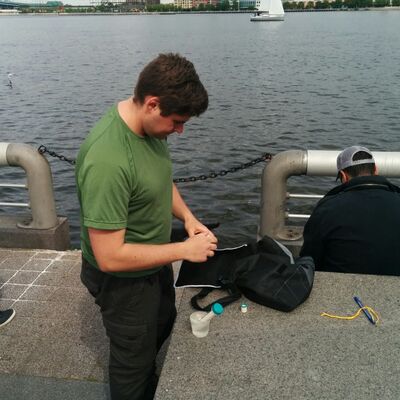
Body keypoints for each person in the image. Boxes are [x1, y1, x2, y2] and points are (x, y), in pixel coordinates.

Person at [75, 53, 218, 400]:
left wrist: (188, 218)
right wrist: (184, 250)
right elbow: (109, 257)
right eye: (177, 122)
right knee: (132, 361)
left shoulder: (151, 128)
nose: (180, 130)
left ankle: (147, 379)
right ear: (152, 103)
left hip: (153, 262)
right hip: (122, 281)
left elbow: (159, 181)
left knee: (163, 322)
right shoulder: (108, 160)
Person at [300, 145, 400, 276]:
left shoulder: (328, 208)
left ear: (343, 176)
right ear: (375, 170)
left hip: (342, 286)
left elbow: (310, 257)